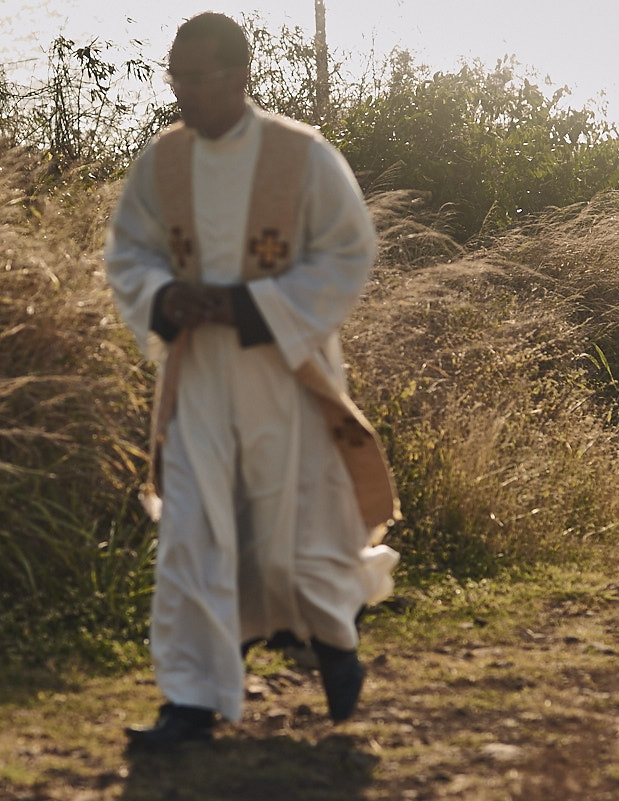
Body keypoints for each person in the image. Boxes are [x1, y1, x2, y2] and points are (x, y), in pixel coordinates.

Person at [103, 11, 400, 749]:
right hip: (198, 374)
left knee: (296, 530)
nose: (184, 95)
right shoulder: (163, 162)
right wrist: (165, 298)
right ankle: (191, 702)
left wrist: (251, 304)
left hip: (285, 371)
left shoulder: (301, 156)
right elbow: (129, 250)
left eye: (198, 78)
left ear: (240, 76)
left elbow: (347, 252)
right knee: (193, 532)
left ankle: (334, 643)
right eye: (176, 78)